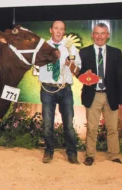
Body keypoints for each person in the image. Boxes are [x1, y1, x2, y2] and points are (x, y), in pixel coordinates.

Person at [79, 23, 122, 166]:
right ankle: (90, 156)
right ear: (92, 35)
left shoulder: (116, 52)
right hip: (92, 95)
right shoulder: (84, 52)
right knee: (92, 128)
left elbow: (120, 76)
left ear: (108, 35)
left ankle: (113, 155)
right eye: (97, 33)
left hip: (111, 95)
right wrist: (83, 75)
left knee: (112, 128)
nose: (100, 36)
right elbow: (78, 73)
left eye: (103, 33)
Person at [39, 21, 81, 164]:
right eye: (56, 28)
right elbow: (36, 63)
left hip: (65, 89)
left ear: (64, 32)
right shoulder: (43, 46)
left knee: (68, 124)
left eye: (61, 29)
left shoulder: (71, 48)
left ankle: (72, 153)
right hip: (47, 89)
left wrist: (71, 64)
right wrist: (49, 57)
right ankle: (49, 151)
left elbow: (77, 71)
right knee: (47, 124)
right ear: (50, 30)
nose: (58, 31)